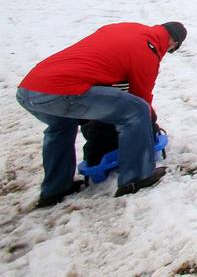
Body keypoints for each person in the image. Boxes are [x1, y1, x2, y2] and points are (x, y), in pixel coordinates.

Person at [15, 21, 186, 205]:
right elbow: (141, 98)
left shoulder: (126, 28)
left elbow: (101, 61)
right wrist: (150, 124)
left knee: (62, 126)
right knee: (137, 111)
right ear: (173, 43)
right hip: (63, 90)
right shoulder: (148, 51)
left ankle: (55, 189)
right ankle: (136, 177)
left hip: (28, 90)